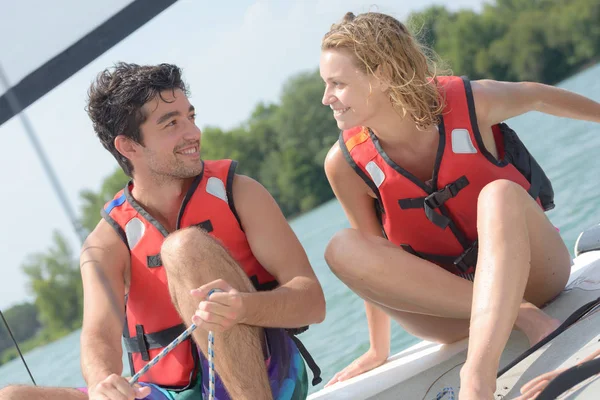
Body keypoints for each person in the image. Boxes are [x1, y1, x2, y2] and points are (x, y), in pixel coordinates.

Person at [0, 62, 325, 400]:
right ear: (129, 147)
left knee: (182, 248)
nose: (193, 133)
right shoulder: (106, 244)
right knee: (12, 397)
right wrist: (102, 382)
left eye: (190, 117)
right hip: (171, 393)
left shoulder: (239, 193)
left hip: (269, 378)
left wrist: (243, 307)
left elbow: (313, 303)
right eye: (172, 124)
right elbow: (99, 338)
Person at [318, 11, 600, 400]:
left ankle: (477, 377)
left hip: (538, 277)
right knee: (341, 247)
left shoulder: (470, 103)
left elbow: (537, 95)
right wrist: (377, 350)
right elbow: (376, 264)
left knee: (498, 195)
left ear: (380, 75)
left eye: (337, 84)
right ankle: (518, 314)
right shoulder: (345, 163)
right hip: (451, 315)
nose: (326, 97)